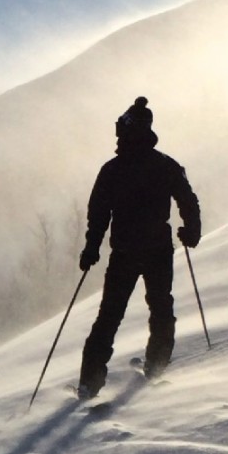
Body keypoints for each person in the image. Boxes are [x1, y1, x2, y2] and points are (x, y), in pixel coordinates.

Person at [77, 95, 201, 398]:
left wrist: (92, 248)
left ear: (126, 132)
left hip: (124, 253)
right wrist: (191, 231)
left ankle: (89, 383)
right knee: (161, 308)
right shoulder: (166, 165)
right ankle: (156, 366)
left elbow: (98, 213)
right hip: (159, 250)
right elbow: (187, 199)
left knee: (109, 315)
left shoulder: (112, 170)